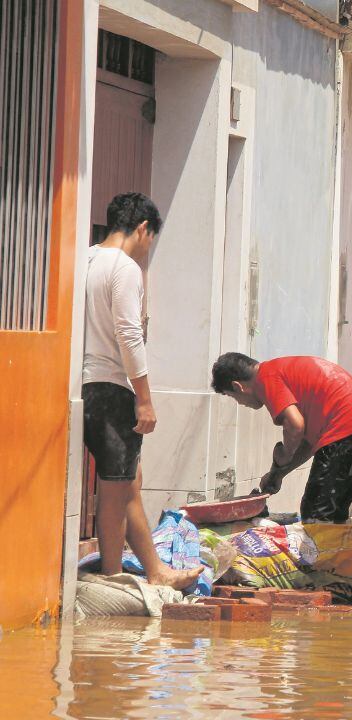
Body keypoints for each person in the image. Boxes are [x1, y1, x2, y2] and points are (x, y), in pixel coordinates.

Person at [82, 192, 201, 589]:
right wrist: (145, 398)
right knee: (116, 487)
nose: (149, 249)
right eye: (151, 240)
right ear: (143, 228)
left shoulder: (82, 258)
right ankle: (113, 575)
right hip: (112, 387)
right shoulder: (125, 268)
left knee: (129, 480)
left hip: (80, 384)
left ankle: (155, 571)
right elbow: (129, 335)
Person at [210, 352, 352, 523]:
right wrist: (279, 473)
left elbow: (295, 425)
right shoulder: (277, 371)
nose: (240, 403)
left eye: (233, 396)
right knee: (334, 512)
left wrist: (285, 454)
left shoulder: (266, 378)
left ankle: (323, 548)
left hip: (344, 429)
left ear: (238, 387)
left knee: (316, 512)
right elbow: (307, 444)